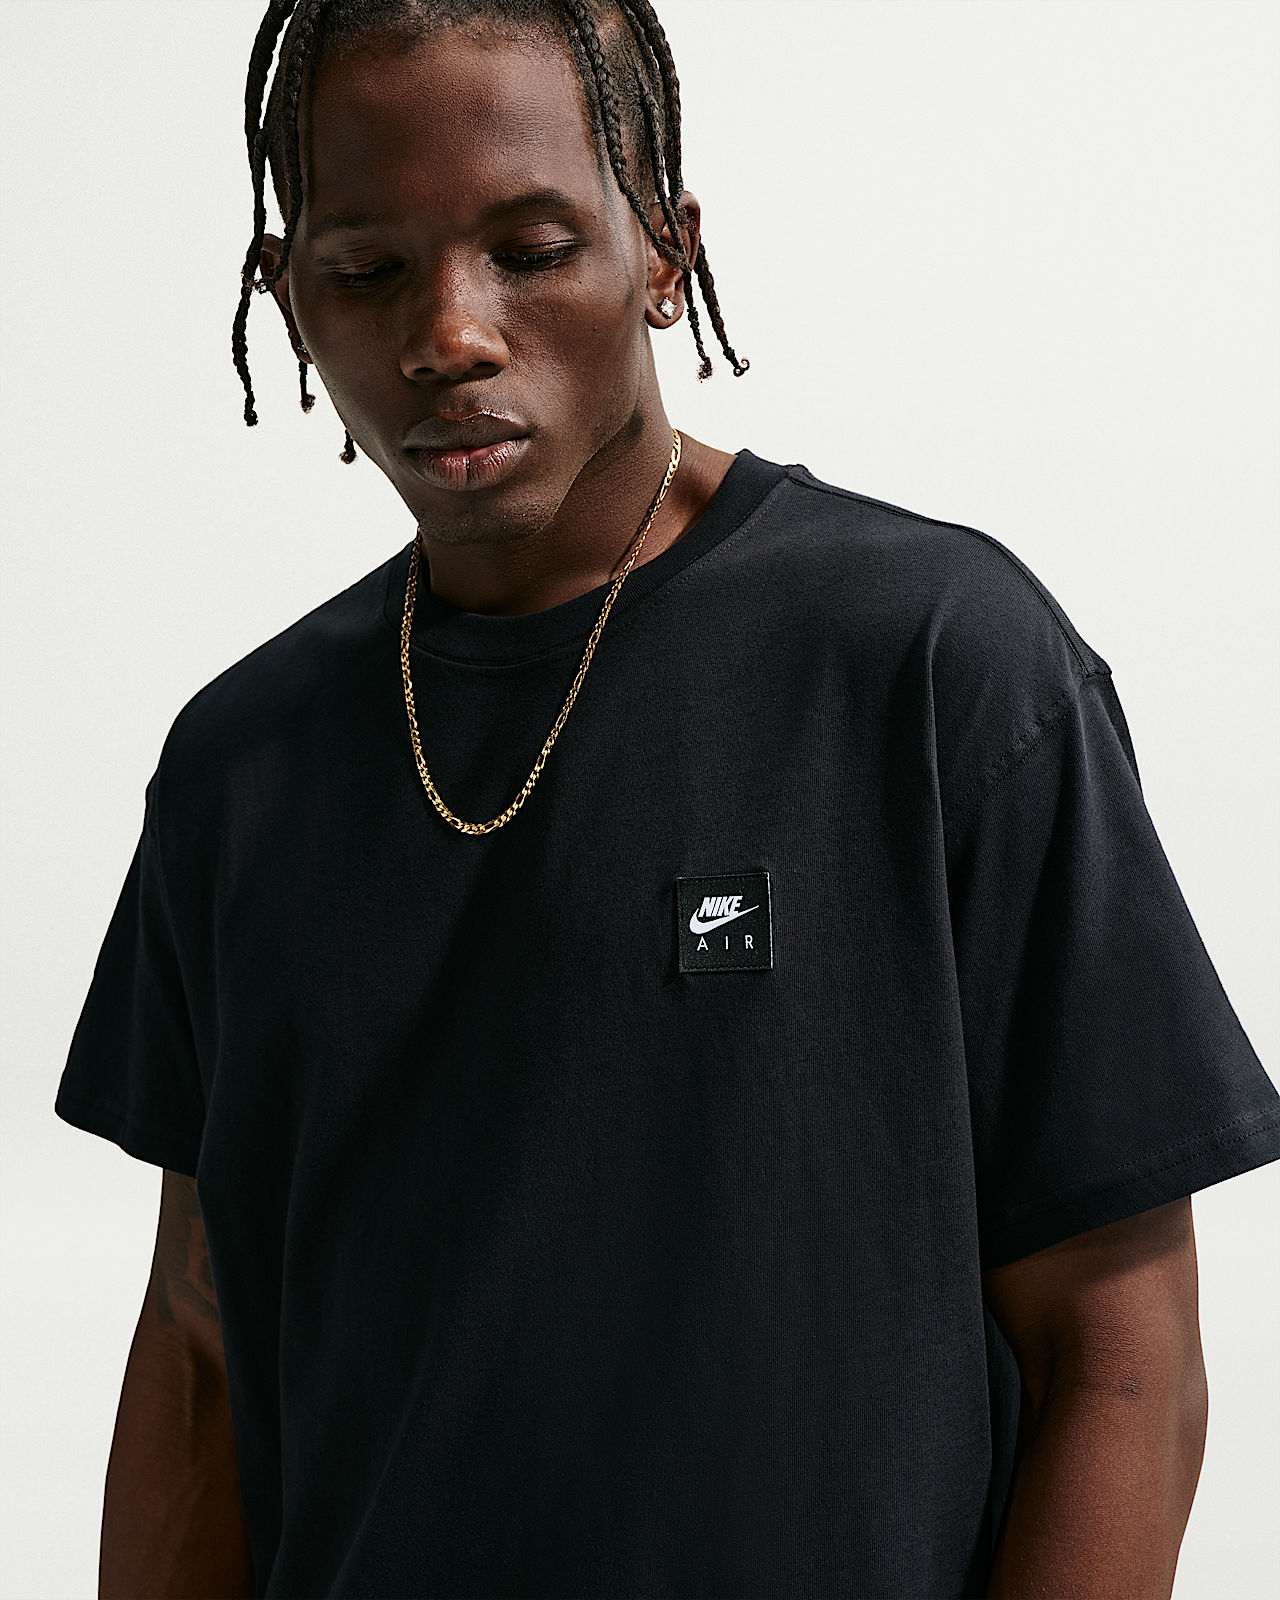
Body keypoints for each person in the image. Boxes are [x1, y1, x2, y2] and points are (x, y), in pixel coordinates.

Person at [55, 1, 1279, 1596]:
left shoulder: (932, 665)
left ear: (664, 252)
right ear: (287, 300)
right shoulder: (243, 764)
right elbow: (202, 1353)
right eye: (364, 270)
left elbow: (1118, 1360)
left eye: (531, 248)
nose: (449, 334)